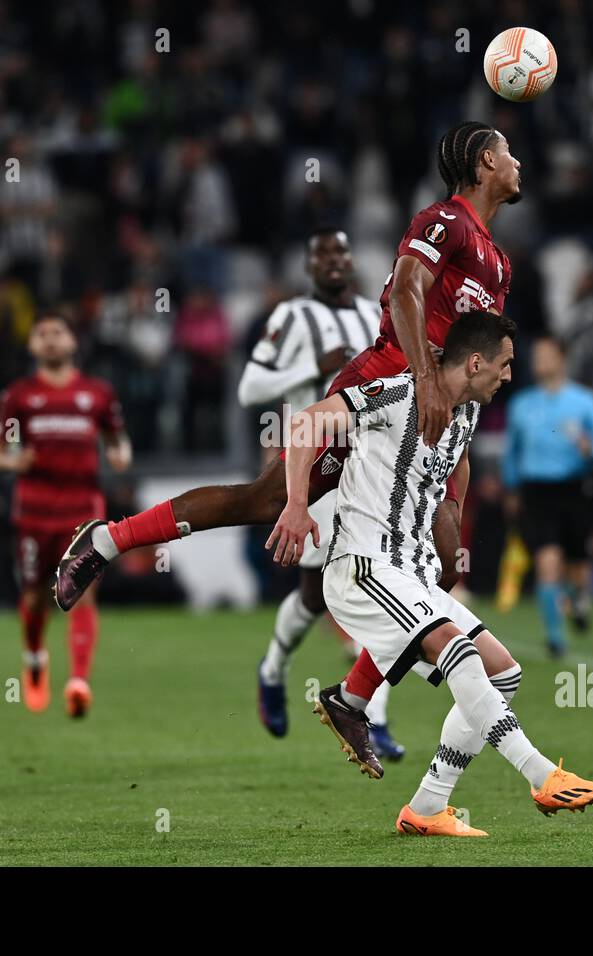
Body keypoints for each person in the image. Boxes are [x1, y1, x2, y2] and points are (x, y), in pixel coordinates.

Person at [55, 121, 521, 719]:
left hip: (440, 421)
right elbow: (406, 288)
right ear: (485, 162)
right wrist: (427, 382)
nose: (517, 164)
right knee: (266, 502)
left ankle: (353, 697)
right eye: (508, 153)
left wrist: (453, 462)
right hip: (382, 394)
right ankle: (108, 540)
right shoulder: (446, 221)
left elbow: (476, 364)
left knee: (447, 558)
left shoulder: (500, 264)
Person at [270, 312, 593, 834]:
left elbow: (461, 460)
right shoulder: (395, 394)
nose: (510, 376)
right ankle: (540, 773)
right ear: (475, 362)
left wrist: (452, 510)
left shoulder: (467, 413)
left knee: (504, 672)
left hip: (411, 573)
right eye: (505, 364)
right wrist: (296, 504)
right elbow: (306, 422)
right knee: (459, 650)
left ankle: (427, 807)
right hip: (363, 566)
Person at [236, 228, 401, 754]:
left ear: (352, 260)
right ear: (309, 266)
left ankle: (373, 719)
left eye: (342, 251)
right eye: (323, 254)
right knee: (314, 597)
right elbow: (249, 388)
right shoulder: (291, 317)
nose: (334, 260)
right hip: (314, 464)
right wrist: (312, 367)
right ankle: (273, 668)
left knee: (377, 582)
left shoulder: (369, 317)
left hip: (366, 463)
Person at [0, 315, 131, 716]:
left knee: (84, 594)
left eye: (58, 333)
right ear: (32, 346)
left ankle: (79, 681)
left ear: (72, 341)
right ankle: (35, 659)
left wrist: (120, 456)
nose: (50, 340)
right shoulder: (19, 396)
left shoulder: (96, 394)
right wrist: (16, 460)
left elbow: (118, 440)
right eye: (42, 334)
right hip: (34, 511)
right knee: (35, 595)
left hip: (83, 511)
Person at [502, 335, 593, 656]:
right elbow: (512, 451)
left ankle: (579, 599)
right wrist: (511, 488)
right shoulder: (521, 404)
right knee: (547, 560)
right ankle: (555, 637)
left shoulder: (585, 401)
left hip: (574, 489)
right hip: (537, 492)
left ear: (562, 358)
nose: (539, 361)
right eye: (535, 355)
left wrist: (592, 449)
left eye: (546, 354)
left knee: (578, 564)